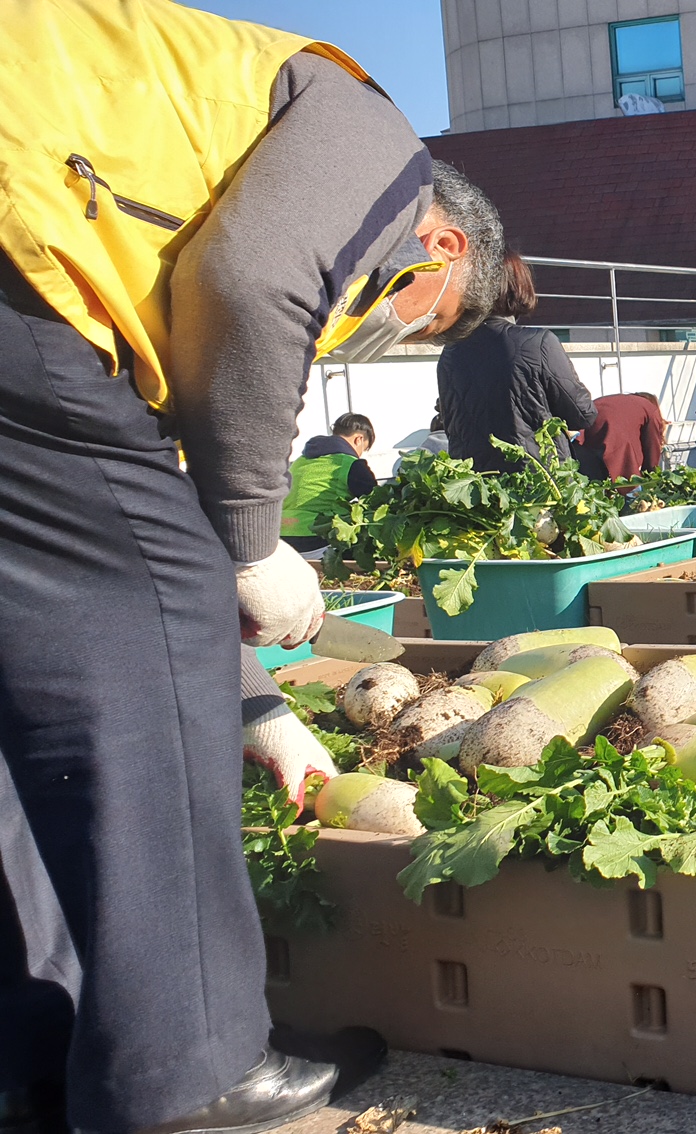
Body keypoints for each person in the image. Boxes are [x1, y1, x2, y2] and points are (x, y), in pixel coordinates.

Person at [0, 3, 505, 1132]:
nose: (389, 333)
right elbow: (251, 282)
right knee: (137, 661)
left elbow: (135, 547)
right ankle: (186, 1071)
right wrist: (248, 539)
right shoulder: (374, 134)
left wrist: (256, 704)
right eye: (427, 324)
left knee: (26, 678)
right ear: (443, 248)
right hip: (20, 249)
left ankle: (33, 1055)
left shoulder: (203, 165)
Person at [436, 250, 596, 472]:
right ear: (518, 286)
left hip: (477, 483)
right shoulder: (537, 343)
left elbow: (450, 423)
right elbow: (583, 414)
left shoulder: (451, 351)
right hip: (537, 479)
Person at [280, 412, 379, 552]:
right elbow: (377, 500)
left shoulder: (300, 461)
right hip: (315, 538)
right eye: (363, 449)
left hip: (281, 537)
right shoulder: (350, 463)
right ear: (359, 439)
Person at [579, 391, 668, 481]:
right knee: (627, 483)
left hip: (584, 440)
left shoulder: (623, 402)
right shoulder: (650, 408)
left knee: (592, 481)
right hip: (618, 447)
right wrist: (650, 477)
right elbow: (652, 448)